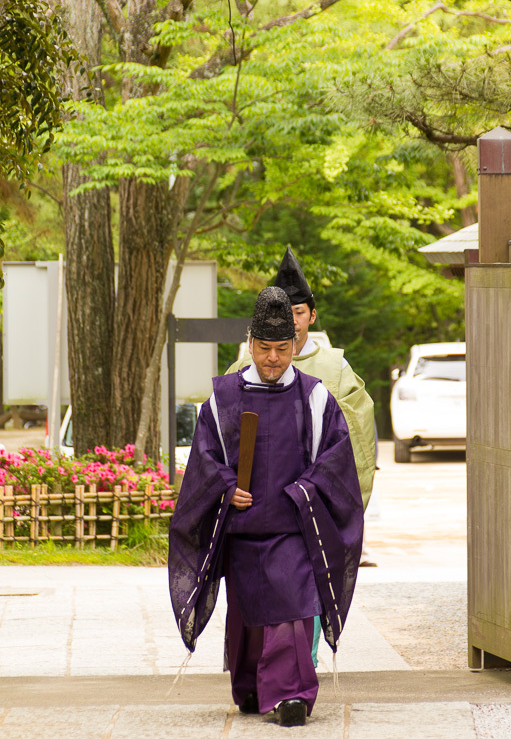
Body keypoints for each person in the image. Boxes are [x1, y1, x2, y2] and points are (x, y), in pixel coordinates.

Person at [168, 286, 364, 727]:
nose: (273, 359)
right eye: (264, 348)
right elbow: (204, 459)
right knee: (249, 618)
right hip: (242, 527)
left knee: (292, 611)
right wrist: (223, 487)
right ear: (249, 343)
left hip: (295, 525)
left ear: (295, 346)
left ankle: (292, 694)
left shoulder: (314, 398)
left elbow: (336, 460)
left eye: (282, 349)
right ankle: (255, 687)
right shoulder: (222, 399)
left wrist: (304, 491)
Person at [227, 246, 376, 512]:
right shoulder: (243, 368)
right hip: (249, 499)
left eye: (299, 312)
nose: (292, 321)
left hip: (312, 498)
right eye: (286, 313)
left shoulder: (336, 368)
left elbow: (357, 437)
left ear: (313, 316)